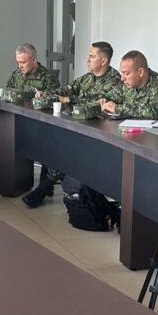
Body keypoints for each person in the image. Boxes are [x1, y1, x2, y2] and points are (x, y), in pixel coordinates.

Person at [22, 41, 123, 208]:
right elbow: (66, 89)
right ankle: (44, 187)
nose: (87, 60)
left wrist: (69, 99)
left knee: (68, 148)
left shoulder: (115, 81)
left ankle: (42, 189)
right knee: (51, 138)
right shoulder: (87, 78)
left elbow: (95, 104)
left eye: (92, 56)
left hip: (99, 130)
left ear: (104, 61)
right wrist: (47, 93)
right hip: (79, 124)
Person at [100, 50, 158, 120]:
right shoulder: (128, 83)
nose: (122, 78)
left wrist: (118, 108)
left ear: (140, 72)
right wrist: (104, 100)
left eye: (126, 73)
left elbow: (154, 112)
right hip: (135, 128)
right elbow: (111, 96)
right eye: (122, 73)